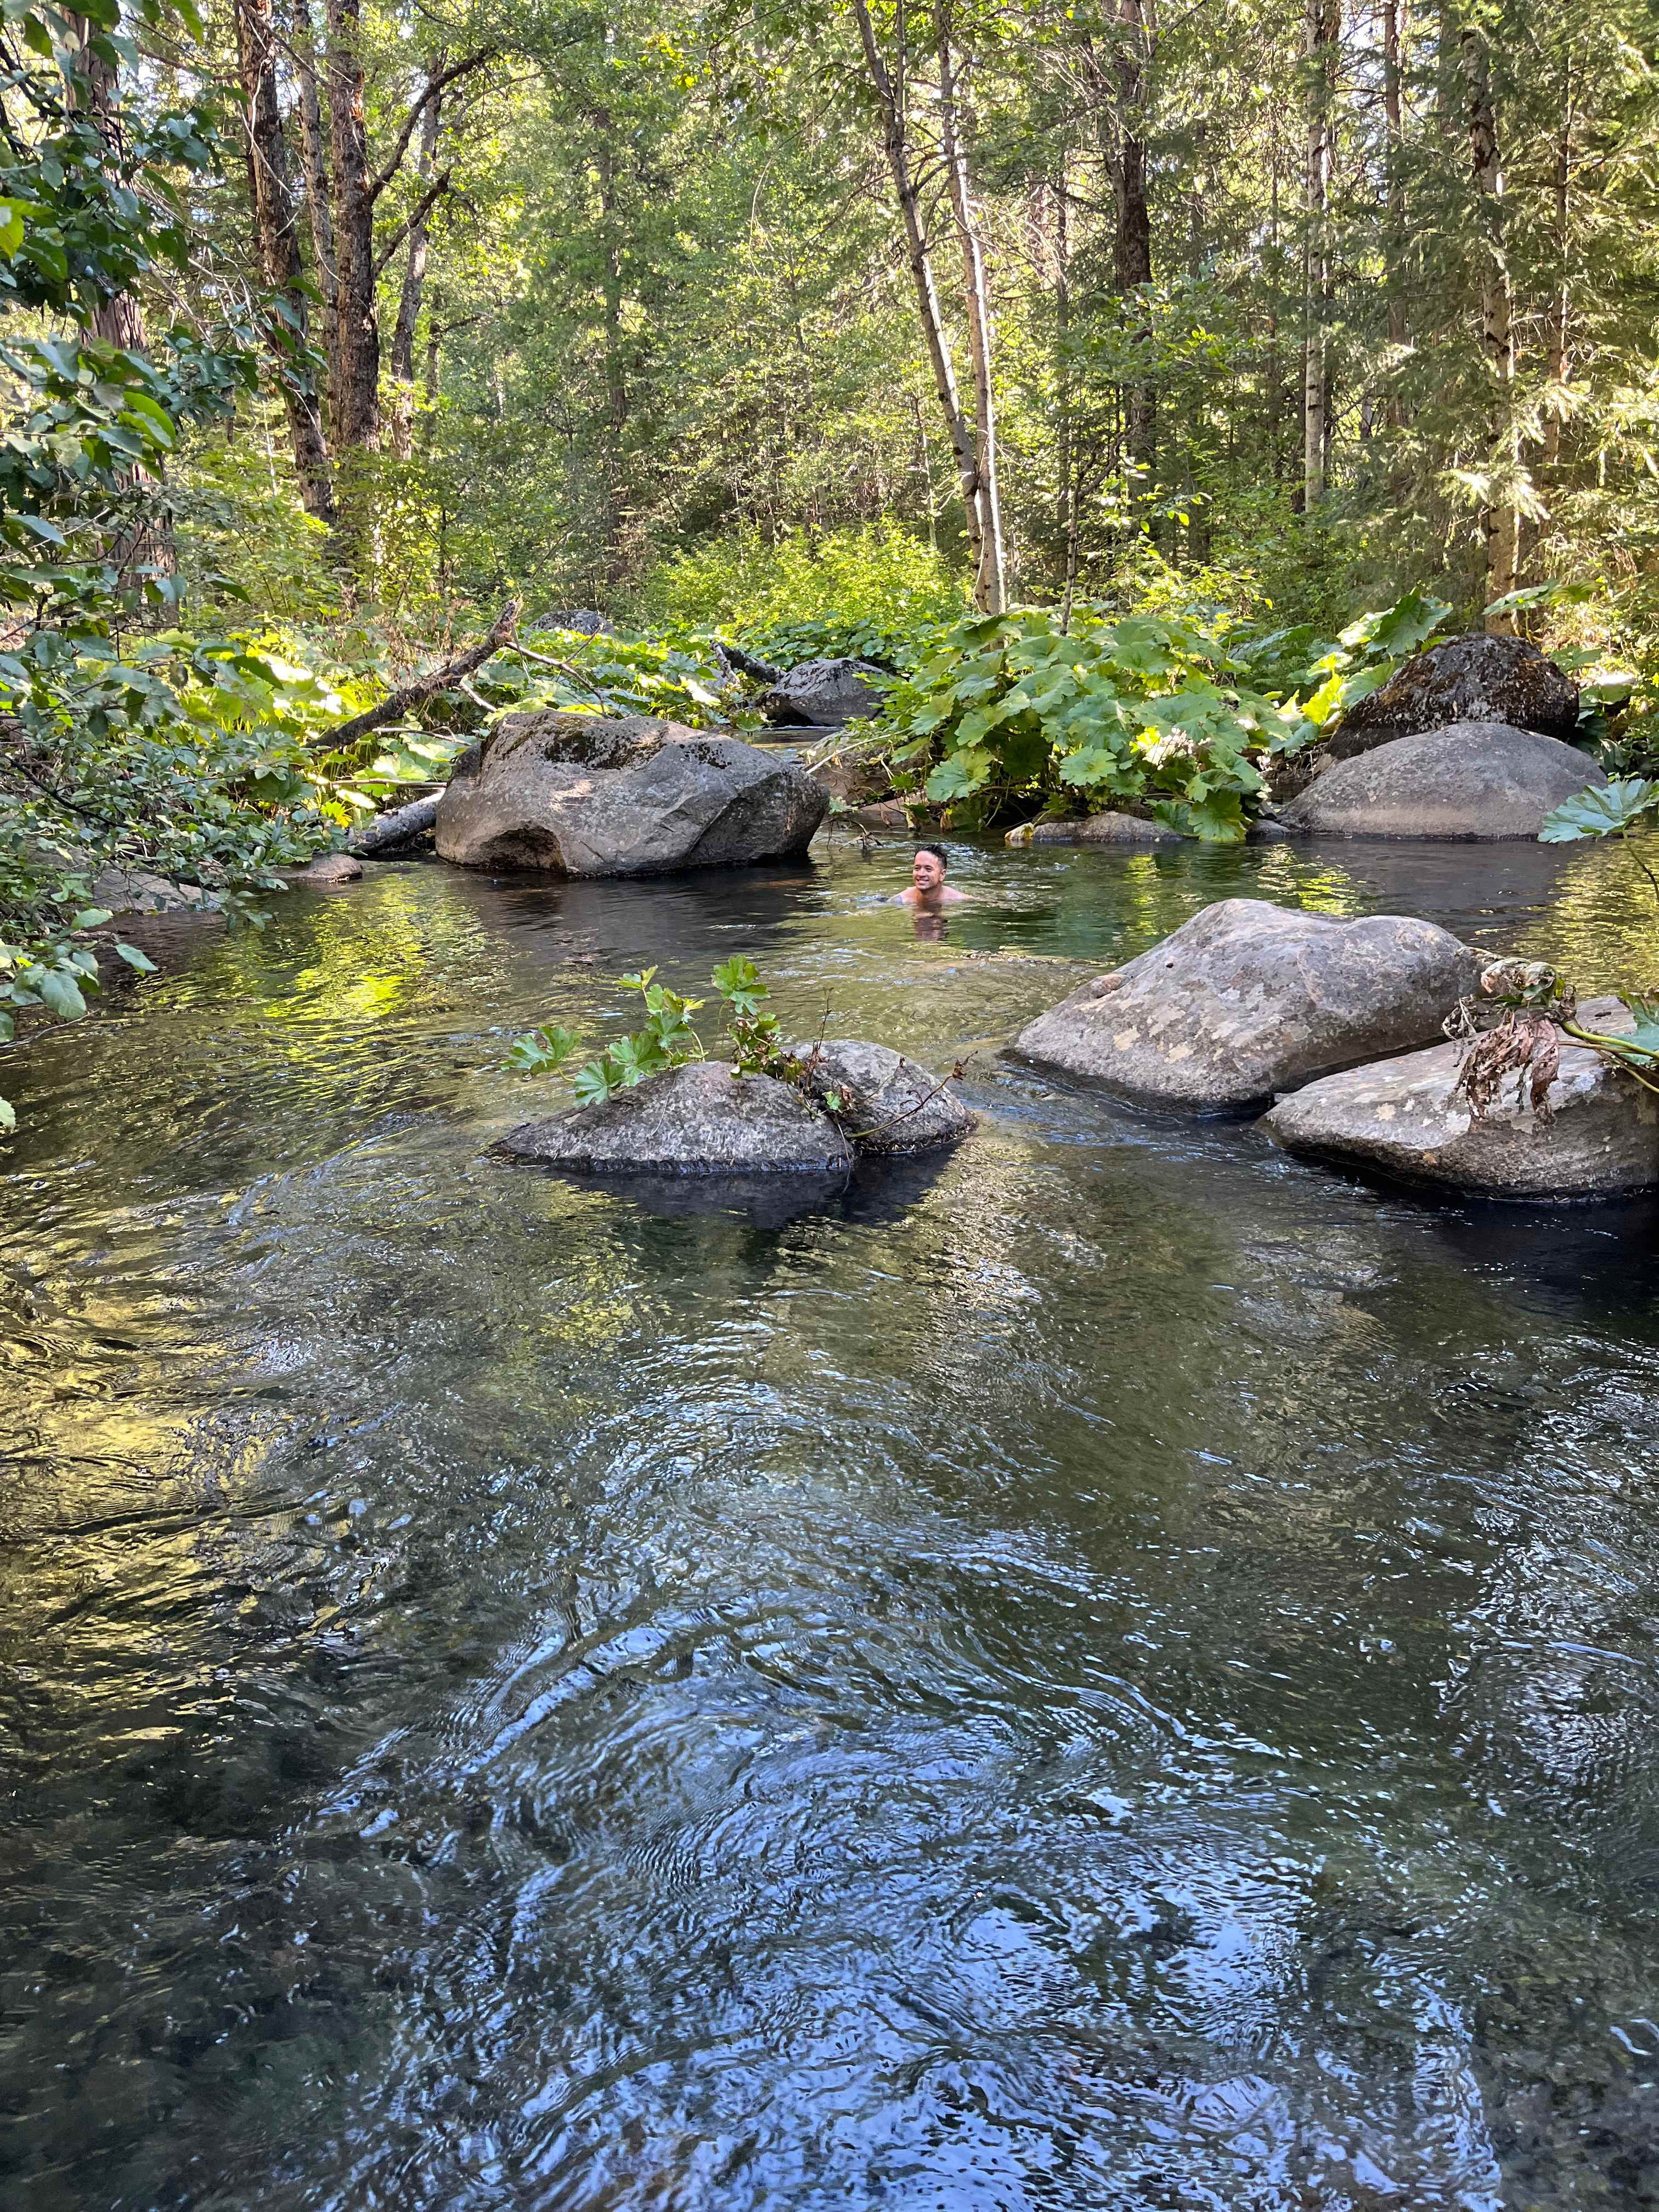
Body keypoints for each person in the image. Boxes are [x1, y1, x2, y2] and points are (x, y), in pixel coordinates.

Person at [892, 843, 968, 910]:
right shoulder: (899, 901)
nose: (921, 874)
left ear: (942, 875)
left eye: (928, 869)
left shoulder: (959, 900)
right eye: (917, 868)